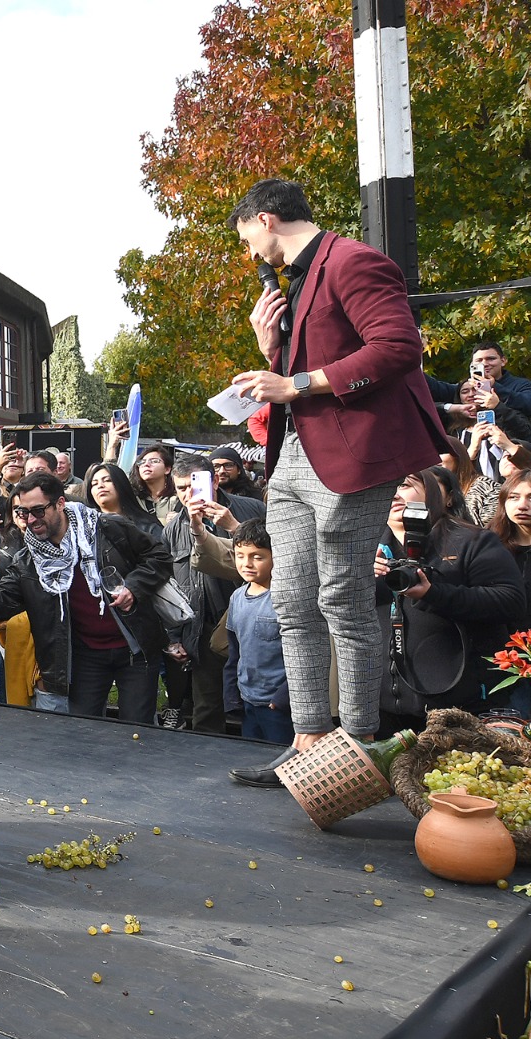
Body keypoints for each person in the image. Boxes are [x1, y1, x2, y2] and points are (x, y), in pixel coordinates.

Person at [227, 178, 450, 785]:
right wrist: (270, 350)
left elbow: (399, 347)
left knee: (343, 602)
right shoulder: (294, 281)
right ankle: (308, 742)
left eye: (246, 238)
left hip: (353, 456)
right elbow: (297, 375)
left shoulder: (354, 261)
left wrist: (295, 382)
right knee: (292, 601)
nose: (249, 253)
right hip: (293, 454)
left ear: (265, 219)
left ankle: (356, 748)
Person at [0, 471, 174, 723]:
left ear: (60, 503)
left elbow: (159, 557)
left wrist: (134, 588)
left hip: (134, 648)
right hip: (85, 655)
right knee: (82, 730)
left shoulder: (106, 527)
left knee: (136, 729)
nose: (31, 520)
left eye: (38, 510)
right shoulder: (28, 560)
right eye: (23, 512)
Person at [372, 469, 523, 725]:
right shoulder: (364, 548)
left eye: (403, 485)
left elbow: (511, 601)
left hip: (463, 708)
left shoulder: (471, 541)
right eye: (384, 487)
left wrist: (434, 593)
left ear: (431, 491)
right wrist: (357, 580)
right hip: (382, 709)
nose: (393, 494)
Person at [162, 453, 266, 732]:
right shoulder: (173, 529)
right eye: (181, 488)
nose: (188, 494)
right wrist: (174, 637)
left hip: (253, 621)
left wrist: (234, 527)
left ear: (215, 481)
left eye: (194, 485)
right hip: (203, 627)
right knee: (207, 709)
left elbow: (275, 557)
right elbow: (168, 585)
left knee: (260, 705)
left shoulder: (252, 509)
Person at [223, 520, 292, 747]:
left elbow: (303, 656)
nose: (247, 564)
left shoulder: (285, 600)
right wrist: (231, 694)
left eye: (257, 557)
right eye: (240, 556)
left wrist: (282, 697)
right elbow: (235, 652)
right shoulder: (237, 598)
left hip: (279, 705)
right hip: (247, 701)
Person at [490, 469, 531, 717]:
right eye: (514, 497)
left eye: (530, 498)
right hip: (504, 660)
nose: (522, 505)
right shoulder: (487, 547)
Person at [429, 340, 531, 420]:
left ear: (503, 361)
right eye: (479, 360)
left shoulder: (521, 385)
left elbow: (527, 405)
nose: (485, 363)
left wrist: (493, 386)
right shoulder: (465, 388)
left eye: (491, 359)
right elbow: (434, 388)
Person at [82, 461, 160, 535]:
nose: (100, 486)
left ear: (121, 484)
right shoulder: (85, 529)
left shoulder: (148, 527)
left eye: (107, 480)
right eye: (94, 484)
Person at [130, 445, 180, 524]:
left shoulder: (179, 497)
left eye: (154, 461)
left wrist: (181, 521)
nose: (146, 464)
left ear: (167, 469)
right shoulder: (133, 497)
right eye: (142, 462)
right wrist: (112, 447)